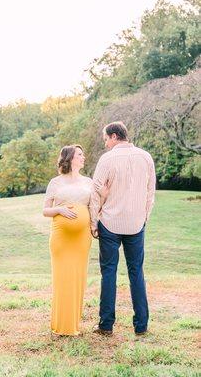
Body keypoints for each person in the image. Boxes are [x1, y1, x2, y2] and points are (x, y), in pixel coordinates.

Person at [89, 121, 156, 336]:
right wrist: (144, 217)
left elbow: (95, 192)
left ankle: (106, 324)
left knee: (108, 271)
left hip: (109, 222)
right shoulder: (146, 157)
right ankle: (141, 325)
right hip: (136, 223)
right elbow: (150, 192)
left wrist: (93, 220)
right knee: (136, 271)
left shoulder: (107, 159)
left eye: (106, 139)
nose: (106, 144)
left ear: (115, 136)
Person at [43, 144, 93, 336]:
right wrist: (59, 209)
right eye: (80, 154)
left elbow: (93, 207)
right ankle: (61, 325)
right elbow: (45, 210)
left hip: (82, 238)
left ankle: (73, 324)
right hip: (61, 238)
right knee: (62, 279)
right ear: (70, 158)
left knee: (78, 278)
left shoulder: (88, 182)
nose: (83, 157)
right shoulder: (55, 182)